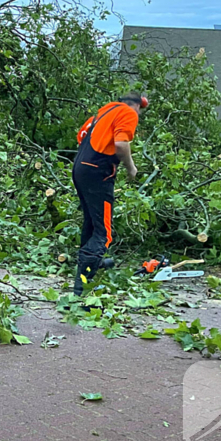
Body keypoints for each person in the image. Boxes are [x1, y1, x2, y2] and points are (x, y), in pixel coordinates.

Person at [72, 93, 147, 295]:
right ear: (136, 106)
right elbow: (121, 144)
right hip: (98, 173)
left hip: (80, 168)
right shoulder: (128, 112)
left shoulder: (102, 113)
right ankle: (83, 286)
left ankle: (88, 269)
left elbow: (81, 136)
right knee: (103, 232)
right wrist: (131, 168)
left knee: (91, 223)